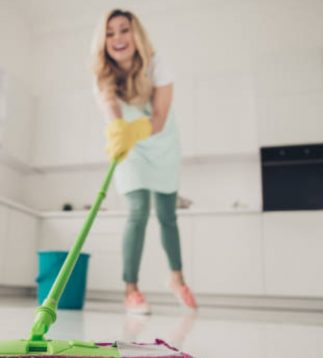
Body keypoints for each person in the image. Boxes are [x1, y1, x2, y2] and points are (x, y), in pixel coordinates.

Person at [91, 9, 198, 314]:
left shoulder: (157, 63)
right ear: (103, 41)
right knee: (138, 210)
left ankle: (177, 280)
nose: (118, 38)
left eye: (124, 30)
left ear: (135, 34)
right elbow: (112, 112)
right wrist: (116, 131)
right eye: (109, 33)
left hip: (162, 140)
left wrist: (133, 129)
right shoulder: (101, 73)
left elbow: (160, 119)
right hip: (132, 148)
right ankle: (131, 290)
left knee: (167, 214)